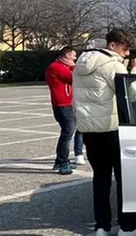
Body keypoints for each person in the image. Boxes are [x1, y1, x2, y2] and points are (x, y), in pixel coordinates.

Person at [73, 29, 136, 236]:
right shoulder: (112, 64)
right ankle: (128, 227)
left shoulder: (80, 64)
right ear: (112, 45)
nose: (127, 54)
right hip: (112, 128)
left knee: (100, 179)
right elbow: (132, 94)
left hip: (89, 129)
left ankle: (102, 226)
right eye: (125, 49)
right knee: (123, 178)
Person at [46, 46, 83, 175]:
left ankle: (62, 160)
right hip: (62, 104)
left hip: (68, 103)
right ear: (67, 55)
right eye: (73, 56)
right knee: (67, 133)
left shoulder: (63, 67)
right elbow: (74, 78)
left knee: (68, 133)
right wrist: (73, 66)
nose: (75, 58)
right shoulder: (56, 67)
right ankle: (61, 162)